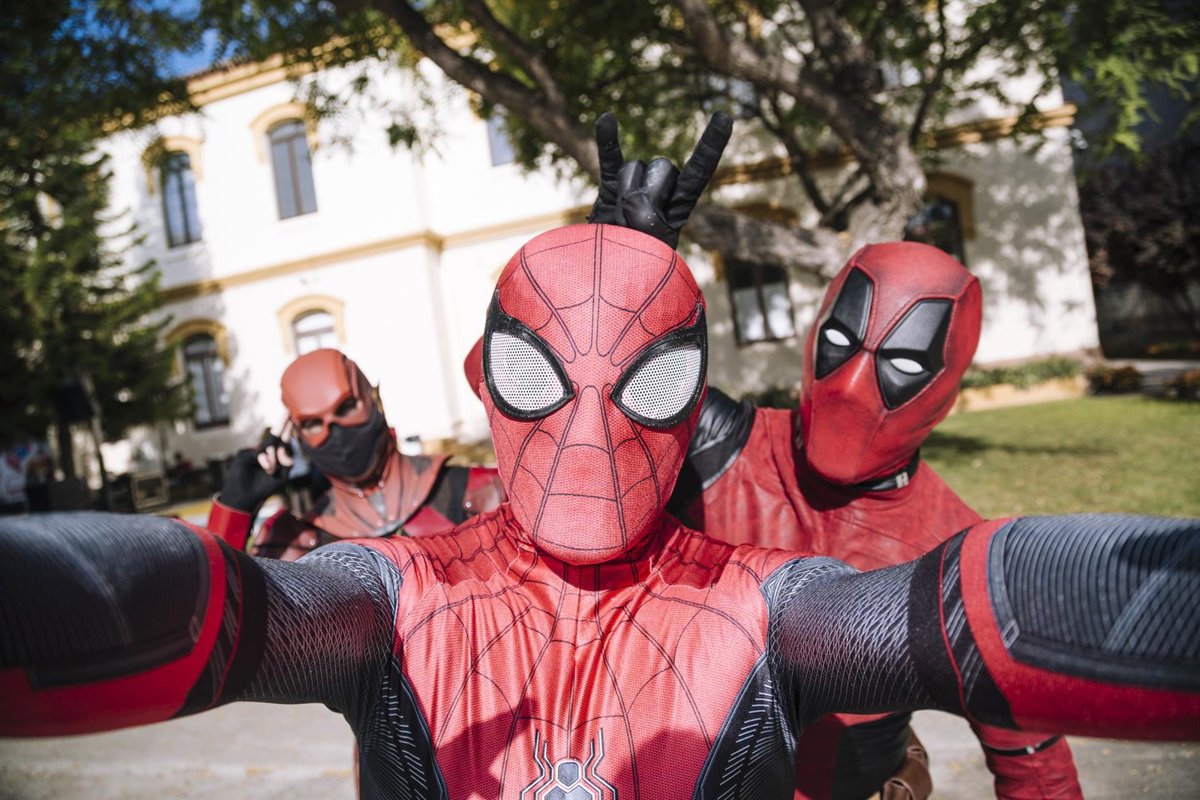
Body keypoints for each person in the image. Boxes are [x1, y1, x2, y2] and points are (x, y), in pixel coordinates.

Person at [2, 221, 1199, 800]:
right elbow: (219, 609)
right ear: (487, 378)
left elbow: (978, 619)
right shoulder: (390, 583)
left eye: (646, 389)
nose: (589, 431)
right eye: (537, 378)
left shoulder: (776, 596)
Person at [669, 243, 1081, 799]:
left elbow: (1034, 761)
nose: (852, 383)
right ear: (815, 335)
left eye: (903, 362)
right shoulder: (722, 447)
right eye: (840, 342)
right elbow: (595, 389)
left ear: (946, 383)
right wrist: (624, 251)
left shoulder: (958, 552)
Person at [207, 348, 504, 559]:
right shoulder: (293, 543)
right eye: (313, 424)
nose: (335, 431)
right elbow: (223, 616)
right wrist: (233, 511)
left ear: (374, 401)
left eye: (346, 408)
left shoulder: (482, 492)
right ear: (297, 434)